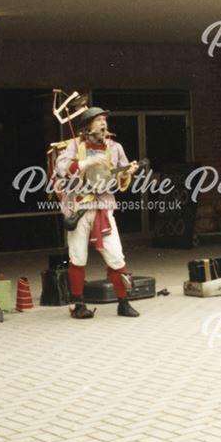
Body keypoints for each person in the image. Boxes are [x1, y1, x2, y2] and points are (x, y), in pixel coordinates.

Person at [56, 107, 141, 318]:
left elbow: (121, 177)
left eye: (104, 119)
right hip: (81, 206)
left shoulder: (114, 147)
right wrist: (85, 162)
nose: (103, 123)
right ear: (87, 126)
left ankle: (123, 302)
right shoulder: (74, 145)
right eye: (98, 120)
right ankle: (78, 305)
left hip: (103, 206)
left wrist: (127, 172)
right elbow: (61, 167)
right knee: (77, 256)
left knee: (116, 256)